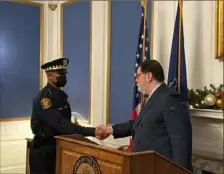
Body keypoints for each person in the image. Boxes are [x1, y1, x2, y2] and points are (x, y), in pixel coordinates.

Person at [96, 59, 192, 171]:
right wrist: (109, 129)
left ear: (149, 76)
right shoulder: (153, 98)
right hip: (146, 165)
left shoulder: (169, 98)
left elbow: (181, 141)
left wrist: (180, 172)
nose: (136, 80)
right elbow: (138, 123)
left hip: (161, 168)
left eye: (138, 75)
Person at [29, 58, 99, 174]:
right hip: (44, 152)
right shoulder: (44, 99)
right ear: (49, 76)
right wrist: (94, 131)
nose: (63, 77)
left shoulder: (61, 96)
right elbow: (62, 125)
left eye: (64, 74)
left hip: (60, 148)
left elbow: (65, 122)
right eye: (60, 74)